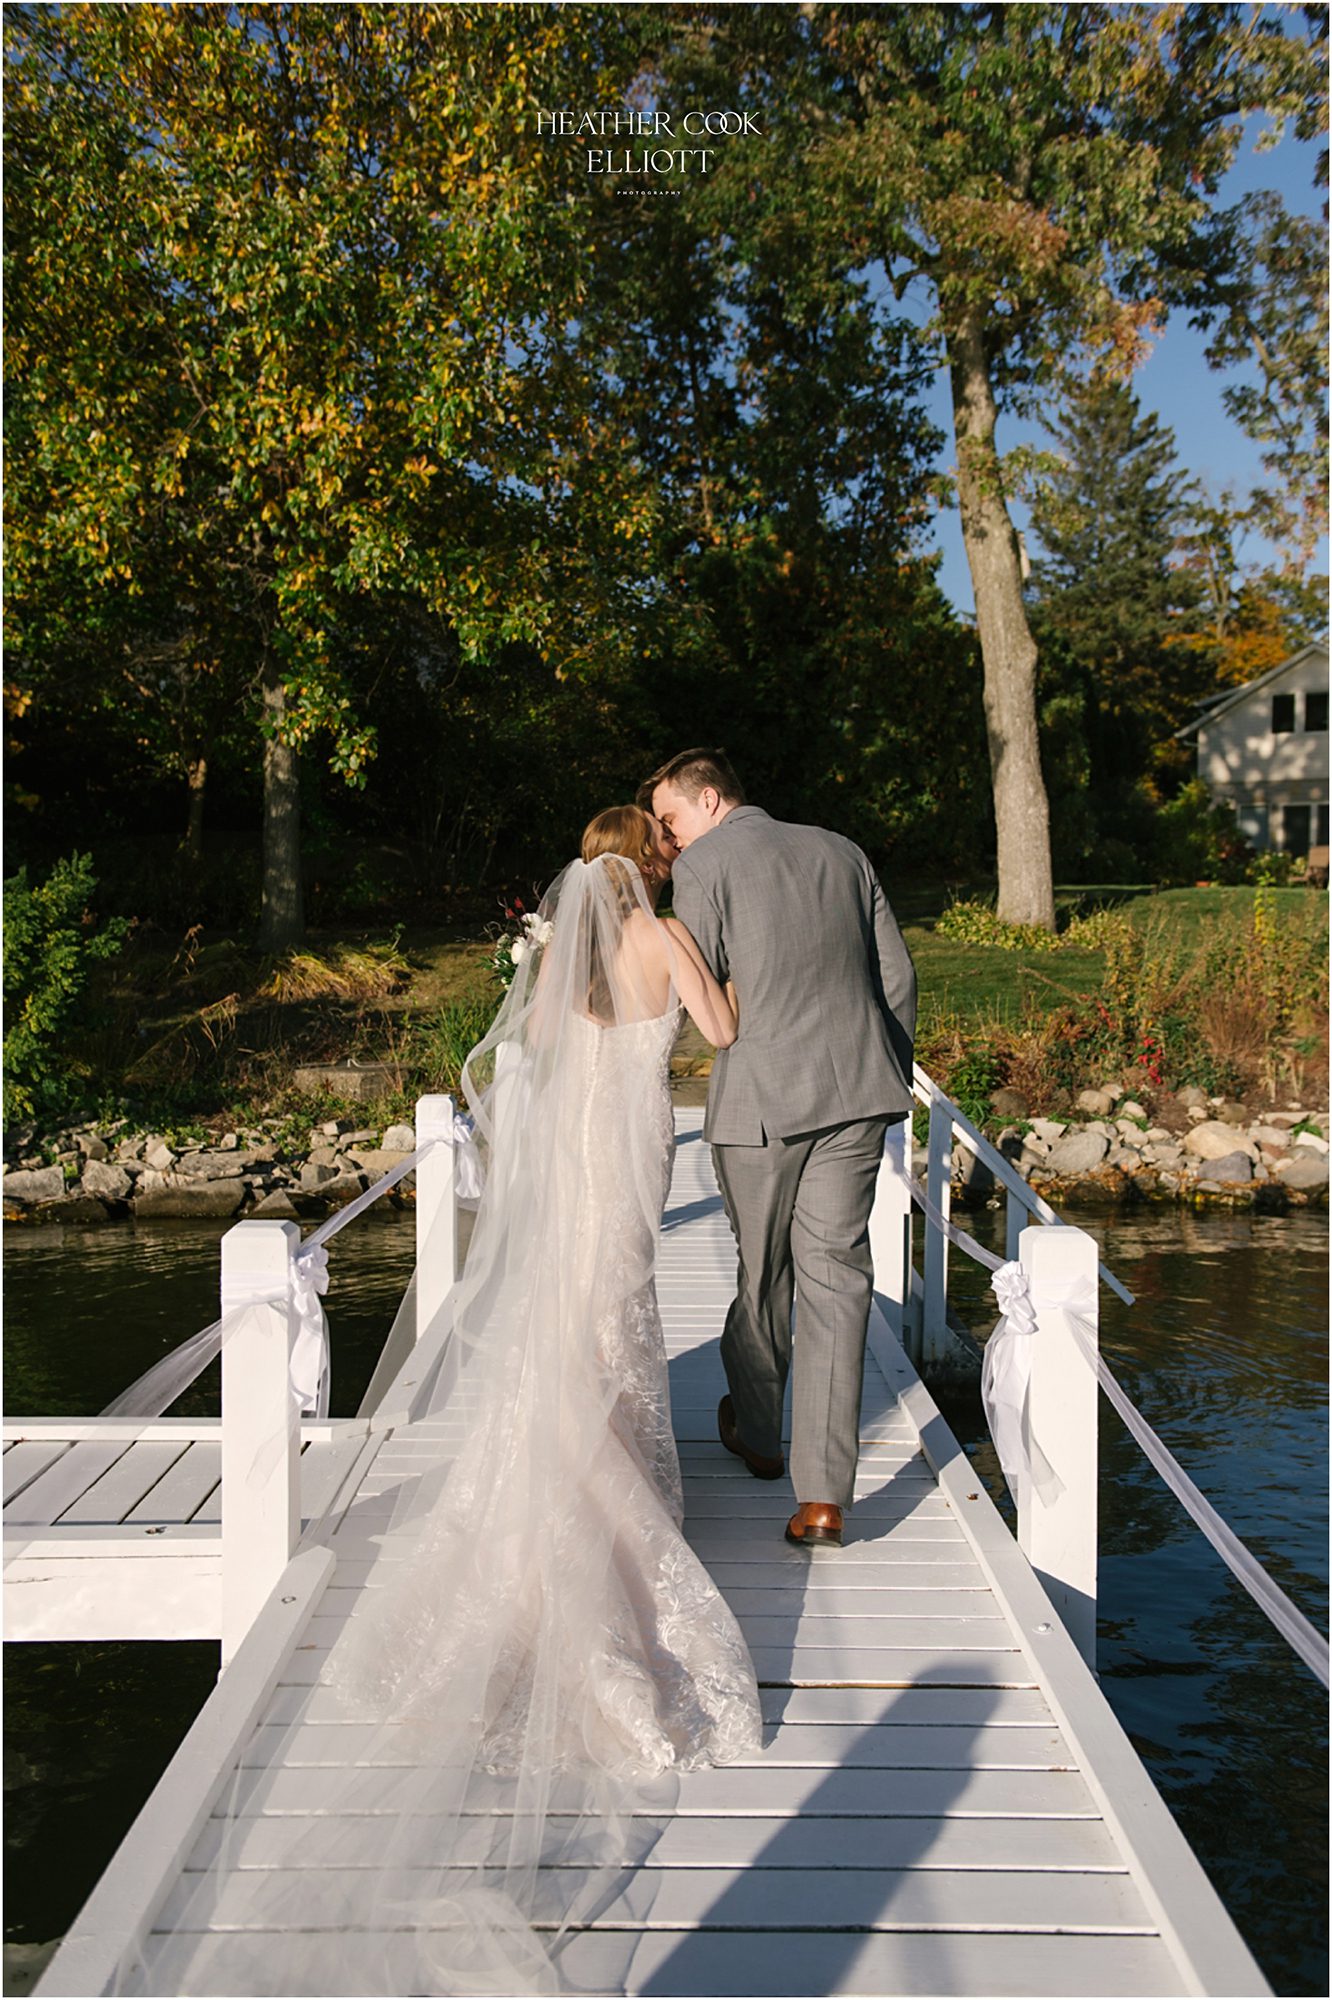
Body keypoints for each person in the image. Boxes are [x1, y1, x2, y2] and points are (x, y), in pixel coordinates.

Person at [140, 806, 761, 1999]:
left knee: (567, 1318)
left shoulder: (563, 954)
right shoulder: (667, 937)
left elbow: (518, 1065)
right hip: (636, 1147)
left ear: (587, 869)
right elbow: (723, 1030)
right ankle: (617, 1478)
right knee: (620, 1309)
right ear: (653, 862)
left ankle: (569, 1470)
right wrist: (702, 995)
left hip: (573, 1149)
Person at [643, 748, 917, 1553]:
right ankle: (824, 1498)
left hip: (761, 1102)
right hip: (858, 1094)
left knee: (764, 1272)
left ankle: (760, 1435)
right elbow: (895, 976)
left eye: (671, 819)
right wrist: (884, 1075)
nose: (669, 839)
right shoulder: (841, 849)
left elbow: (705, 984)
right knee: (837, 1277)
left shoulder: (709, 866)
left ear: (710, 796)